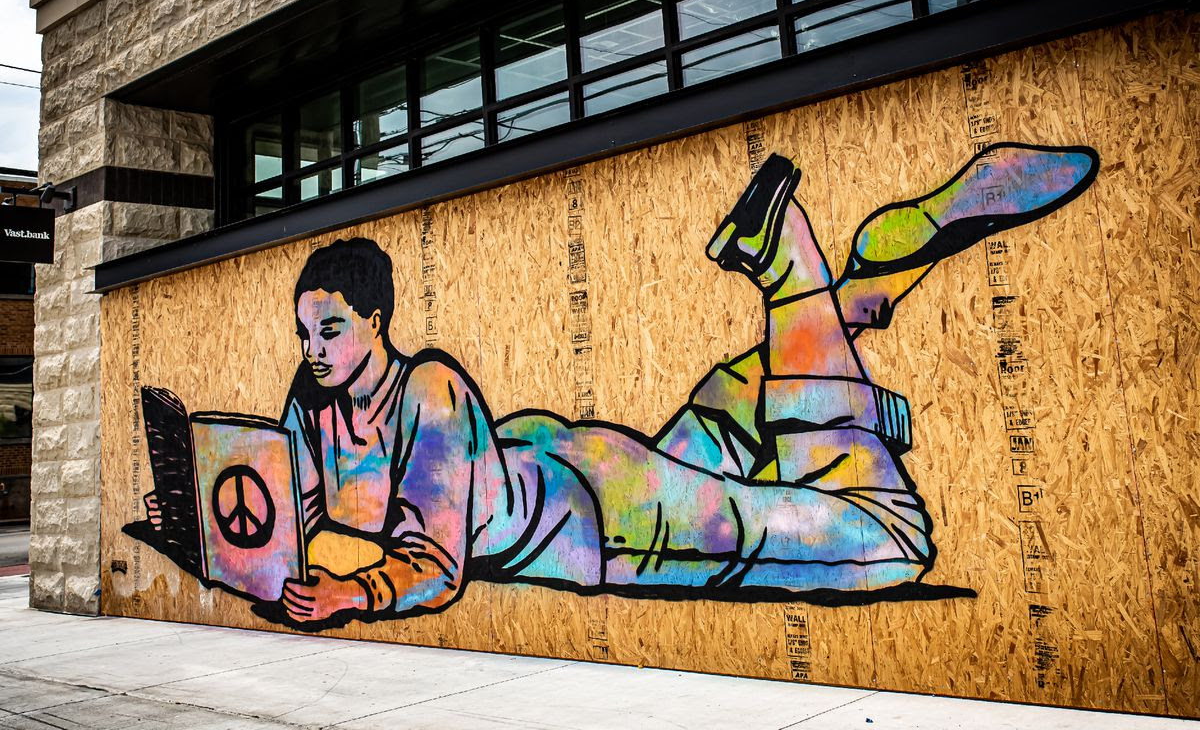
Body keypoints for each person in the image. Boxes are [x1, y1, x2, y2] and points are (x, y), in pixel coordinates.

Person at [149, 142, 1098, 626]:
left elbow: (433, 569)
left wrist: (359, 597)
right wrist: (199, 517)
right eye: (305, 331)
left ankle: (792, 266)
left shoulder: (428, 393)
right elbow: (286, 504)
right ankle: (870, 282)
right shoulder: (313, 402)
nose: (313, 348)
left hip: (610, 519)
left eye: (332, 330)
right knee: (722, 436)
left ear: (378, 325)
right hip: (571, 466)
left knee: (892, 540)